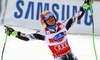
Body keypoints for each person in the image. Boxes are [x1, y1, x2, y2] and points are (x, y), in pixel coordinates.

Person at [5, 1, 90, 60]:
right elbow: (27, 37)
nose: (51, 18)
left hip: (72, 56)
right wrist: (14, 33)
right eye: (47, 18)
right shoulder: (43, 33)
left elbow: (76, 17)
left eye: (52, 16)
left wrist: (84, 7)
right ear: (44, 22)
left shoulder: (62, 25)